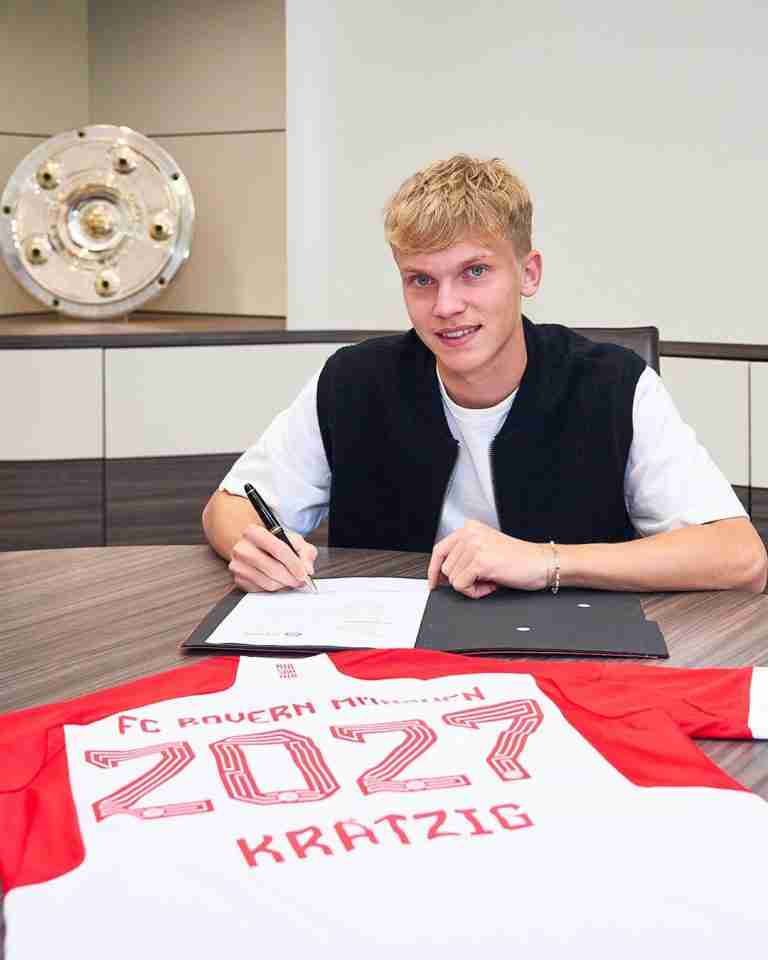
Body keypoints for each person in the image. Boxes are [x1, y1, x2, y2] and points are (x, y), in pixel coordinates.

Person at [202, 154, 767, 597]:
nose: (446, 306)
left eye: (474, 272)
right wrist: (254, 547)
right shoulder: (352, 381)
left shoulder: (615, 385)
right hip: (386, 667)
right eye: (421, 280)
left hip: (575, 660)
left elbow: (740, 557)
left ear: (528, 273)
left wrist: (546, 561)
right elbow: (227, 508)